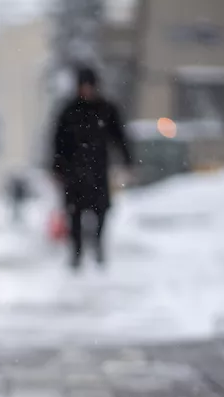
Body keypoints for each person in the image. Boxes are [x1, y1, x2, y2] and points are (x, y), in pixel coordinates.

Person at [50, 66, 132, 270]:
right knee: (74, 214)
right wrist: (57, 167)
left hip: (98, 170)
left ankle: (98, 246)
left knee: (101, 211)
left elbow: (119, 137)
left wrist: (127, 160)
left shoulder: (106, 109)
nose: (87, 90)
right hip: (73, 172)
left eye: (90, 86)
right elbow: (57, 141)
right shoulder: (68, 111)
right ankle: (76, 253)